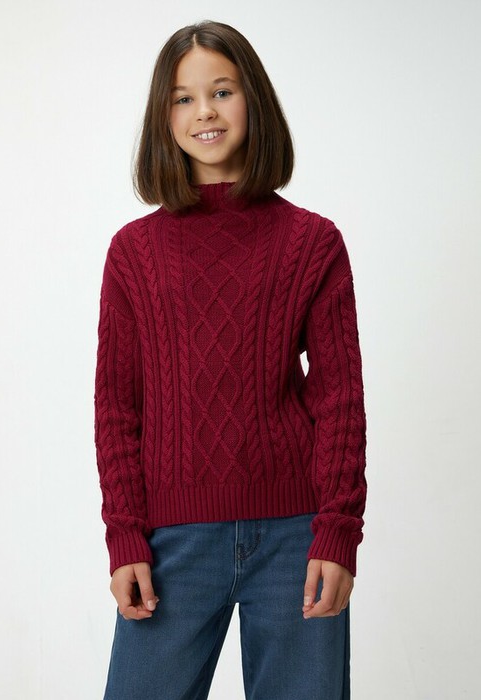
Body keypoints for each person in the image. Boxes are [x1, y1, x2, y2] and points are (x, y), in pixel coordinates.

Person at [94, 19, 367, 700]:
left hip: (295, 537)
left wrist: (337, 532)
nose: (204, 112)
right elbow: (117, 407)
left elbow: (339, 398)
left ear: (253, 100)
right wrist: (125, 537)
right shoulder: (134, 253)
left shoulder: (312, 243)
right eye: (183, 98)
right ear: (164, 117)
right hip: (172, 543)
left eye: (221, 91)